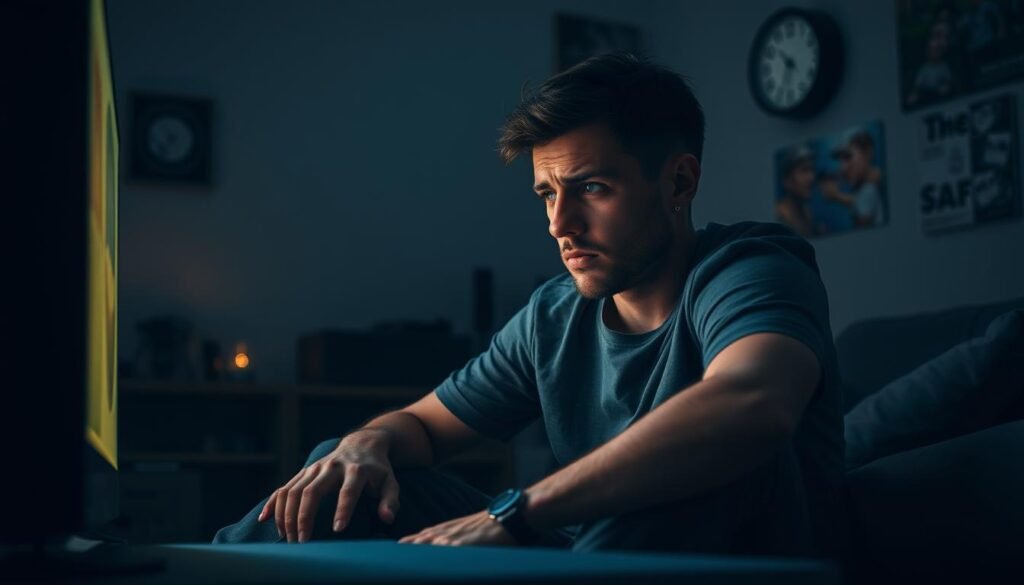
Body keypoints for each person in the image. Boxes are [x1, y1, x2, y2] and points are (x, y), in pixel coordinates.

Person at [213, 52, 845, 560]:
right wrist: (366, 442)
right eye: (546, 193)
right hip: (584, 551)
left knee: (678, 470)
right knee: (339, 467)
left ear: (679, 181)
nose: (559, 225)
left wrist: (513, 514)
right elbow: (427, 429)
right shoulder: (553, 318)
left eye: (591, 188)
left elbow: (752, 403)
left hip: (736, 563)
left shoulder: (751, 268)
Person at [820, 129, 885, 228]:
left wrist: (837, 196)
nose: (843, 168)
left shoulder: (873, 187)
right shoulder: (866, 185)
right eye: (840, 160)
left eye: (847, 157)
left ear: (868, 152)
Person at [775, 145, 823, 237]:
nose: (811, 178)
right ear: (786, 181)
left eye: (811, 170)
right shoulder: (779, 217)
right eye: (804, 171)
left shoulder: (807, 212)